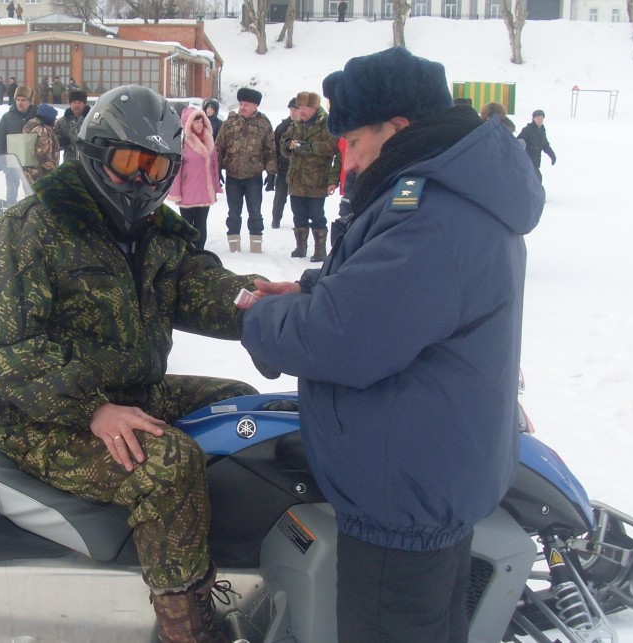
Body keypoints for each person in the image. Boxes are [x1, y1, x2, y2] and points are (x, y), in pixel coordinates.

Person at [239, 47, 544, 642]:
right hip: (424, 474)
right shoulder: (445, 188)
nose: (345, 157)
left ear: (397, 127)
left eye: (352, 139)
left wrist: (259, 319)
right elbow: (391, 292)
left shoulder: (436, 210)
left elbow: (344, 337)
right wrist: (310, 285)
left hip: (404, 490)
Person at [0, 84, 262, 643]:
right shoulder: (28, 232)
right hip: (42, 419)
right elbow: (4, 357)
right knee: (166, 463)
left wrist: (262, 303)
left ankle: (205, 540)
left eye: (158, 168)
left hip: (132, 391)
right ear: (96, 153)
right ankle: (185, 626)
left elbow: (198, 288)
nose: (143, 182)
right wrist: (93, 409)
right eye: (129, 163)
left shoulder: (148, 234)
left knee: (243, 405)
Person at [215, 87, 277, 253]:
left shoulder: (264, 124)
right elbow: (218, 148)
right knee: (233, 213)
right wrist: (217, 171)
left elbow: (270, 151)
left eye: (246, 104)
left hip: (254, 177)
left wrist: (271, 173)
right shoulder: (229, 123)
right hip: (233, 177)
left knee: (255, 213)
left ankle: (256, 247)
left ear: (256, 105)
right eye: (241, 103)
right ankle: (234, 246)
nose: (242, 107)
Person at [280, 90, 340, 262]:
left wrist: (309, 147)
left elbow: (334, 148)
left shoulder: (327, 124)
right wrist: (288, 144)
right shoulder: (296, 124)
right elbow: (283, 143)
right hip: (296, 179)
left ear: (314, 108)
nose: (301, 111)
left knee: (317, 215)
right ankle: (300, 246)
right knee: (298, 214)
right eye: (299, 107)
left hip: (316, 180)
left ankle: (320, 249)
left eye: (305, 107)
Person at [167, 106, 221, 251]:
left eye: (201, 121)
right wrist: (176, 192)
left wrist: (215, 187)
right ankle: (187, 252)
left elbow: (214, 167)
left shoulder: (209, 140)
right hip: (188, 192)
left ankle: (199, 251)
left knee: (201, 224)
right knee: (187, 225)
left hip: (204, 191)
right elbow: (176, 170)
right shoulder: (183, 142)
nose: (199, 125)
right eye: (195, 122)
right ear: (188, 123)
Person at [0, 85, 38, 200]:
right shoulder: (7, 117)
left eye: (23, 100)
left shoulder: (37, 117)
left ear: (30, 101)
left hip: (32, 164)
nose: (20, 103)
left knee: (32, 195)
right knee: (11, 193)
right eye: (18, 100)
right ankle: (12, 215)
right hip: (12, 162)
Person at [270, 97, 299, 229]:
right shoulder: (282, 127)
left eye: (295, 109)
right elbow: (274, 150)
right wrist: (272, 173)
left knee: (298, 199)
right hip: (284, 169)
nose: (293, 112)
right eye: (291, 109)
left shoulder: (305, 127)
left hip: (300, 171)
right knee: (280, 197)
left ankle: (299, 222)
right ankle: (275, 220)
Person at [21, 103, 60, 184]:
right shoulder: (43, 131)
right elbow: (44, 156)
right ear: (48, 118)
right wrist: (54, 174)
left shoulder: (30, 125)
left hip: (30, 173)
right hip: (41, 177)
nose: (55, 119)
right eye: (54, 117)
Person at [518, 109, 556, 182]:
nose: (540, 120)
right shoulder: (527, 129)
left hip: (535, 162)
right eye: (538, 118)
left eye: (541, 118)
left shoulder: (542, 131)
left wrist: (552, 155)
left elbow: (545, 145)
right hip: (527, 161)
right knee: (536, 180)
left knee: (536, 180)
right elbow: (518, 143)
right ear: (533, 119)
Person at [54, 88, 90, 162]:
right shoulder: (62, 121)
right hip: (69, 161)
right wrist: (61, 142)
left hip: (87, 161)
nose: (76, 105)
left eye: (79, 102)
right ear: (70, 104)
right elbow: (55, 142)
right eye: (74, 102)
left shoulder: (91, 120)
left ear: (84, 104)